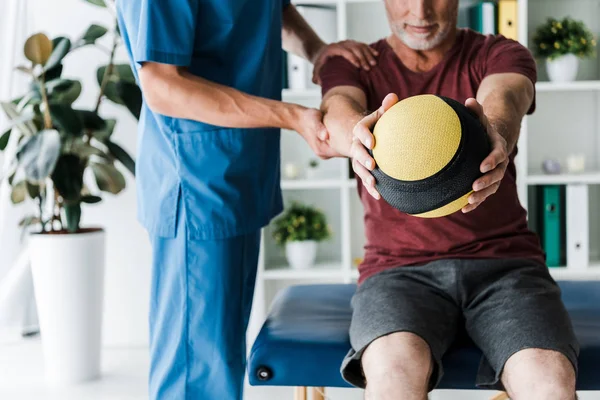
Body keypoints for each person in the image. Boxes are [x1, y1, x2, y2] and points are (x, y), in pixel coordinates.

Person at [115, 1, 377, 399]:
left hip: (238, 174)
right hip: (197, 182)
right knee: (196, 375)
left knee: (221, 359)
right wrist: (292, 116)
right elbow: (162, 86)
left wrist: (316, 49)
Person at [318, 1, 579, 399]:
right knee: (392, 378)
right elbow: (337, 109)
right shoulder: (353, 63)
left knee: (548, 384)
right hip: (398, 271)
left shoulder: (500, 52)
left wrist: (496, 132)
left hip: (505, 267)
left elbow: (505, 97)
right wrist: (356, 134)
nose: (421, 11)